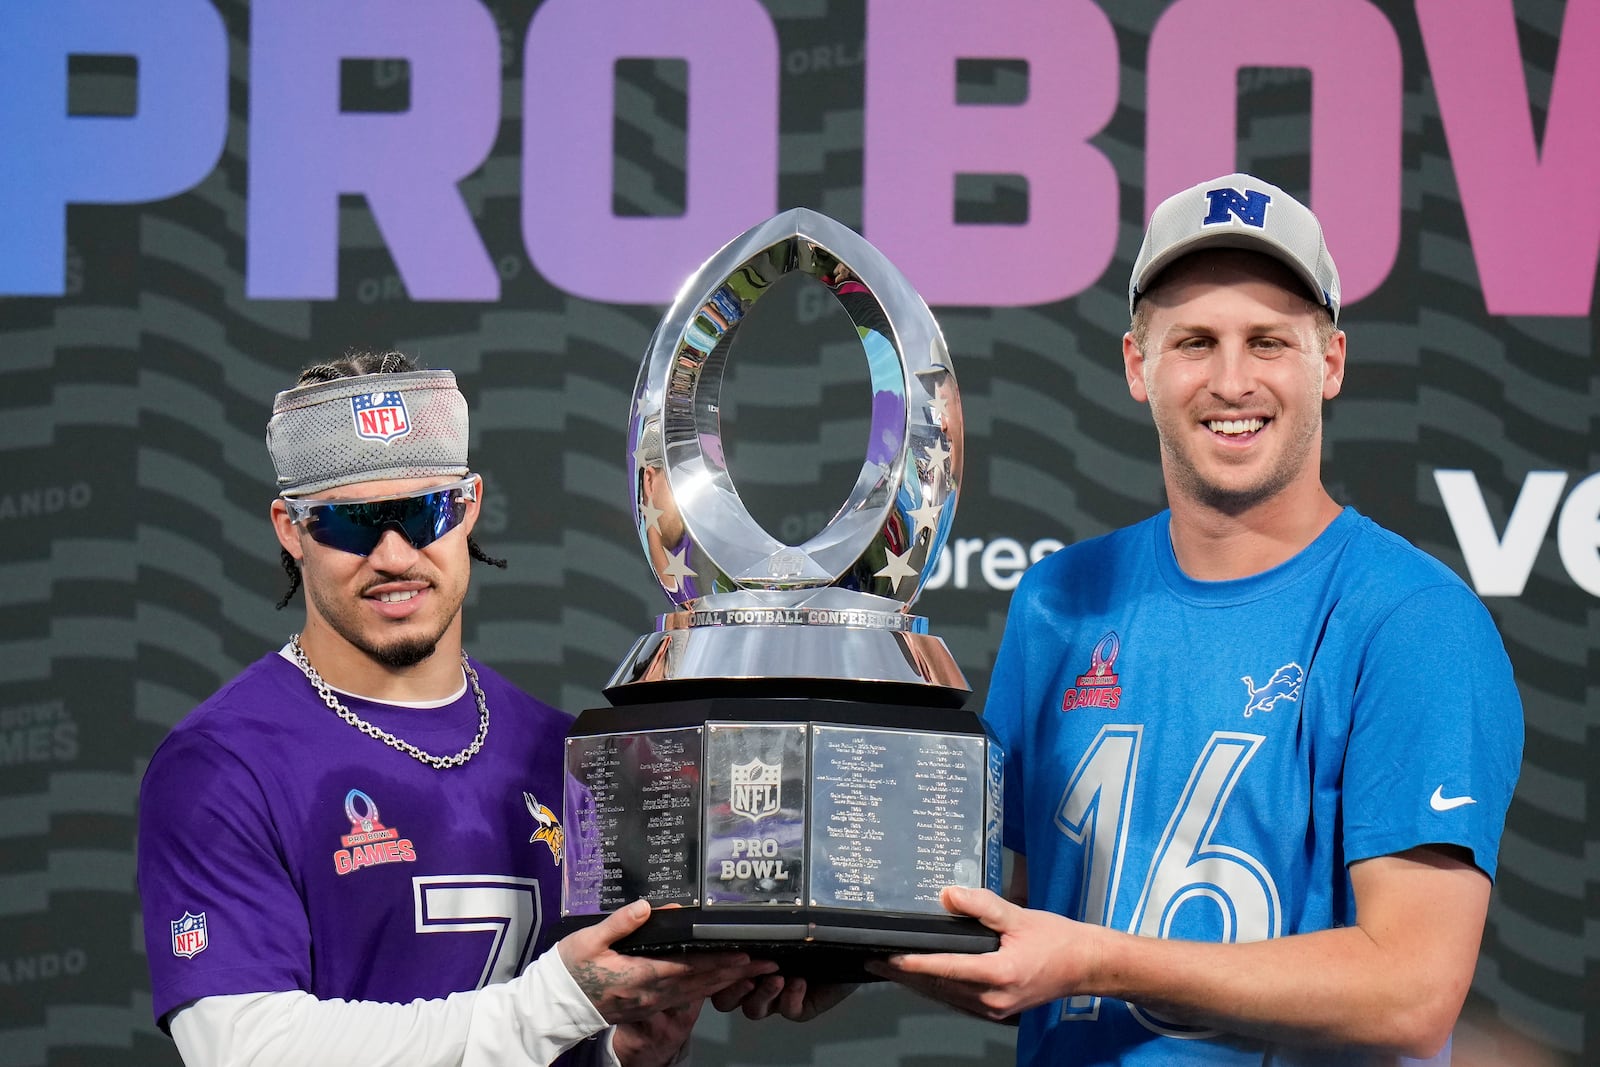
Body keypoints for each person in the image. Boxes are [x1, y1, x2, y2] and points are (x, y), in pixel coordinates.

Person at [867, 174, 1524, 1065]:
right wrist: (832, 949)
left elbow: (1409, 988)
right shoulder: (1061, 599)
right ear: (1138, 366)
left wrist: (1098, 958)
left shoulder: (1415, 622)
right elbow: (1017, 944)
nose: (1230, 380)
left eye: (1268, 341)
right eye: (1194, 341)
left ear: (1329, 361)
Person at [137, 351, 775, 1067]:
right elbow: (244, 1049)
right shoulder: (223, 765)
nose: (393, 554)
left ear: (469, 505)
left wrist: (627, 1047)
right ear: (291, 529)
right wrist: (563, 1000)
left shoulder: (566, 751)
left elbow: (585, 1030)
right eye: (351, 524)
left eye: (423, 513)